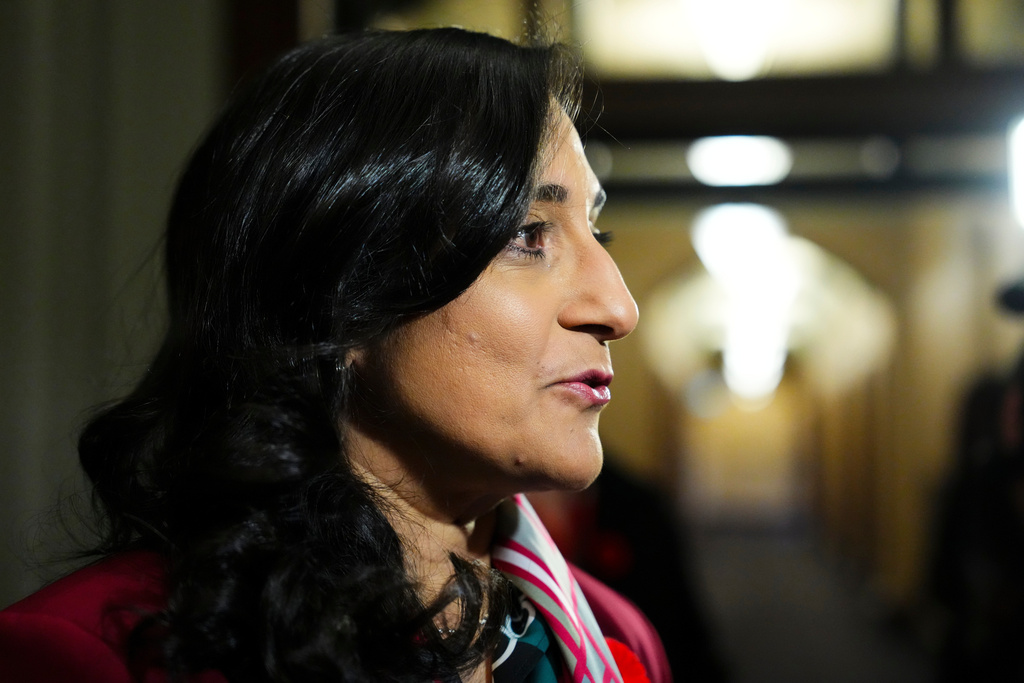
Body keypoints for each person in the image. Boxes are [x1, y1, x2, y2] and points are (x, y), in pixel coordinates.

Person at [0, 27, 669, 683]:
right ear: (340, 294)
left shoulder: (611, 638)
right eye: (528, 233)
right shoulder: (95, 655)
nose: (618, 307)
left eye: (597, 228)